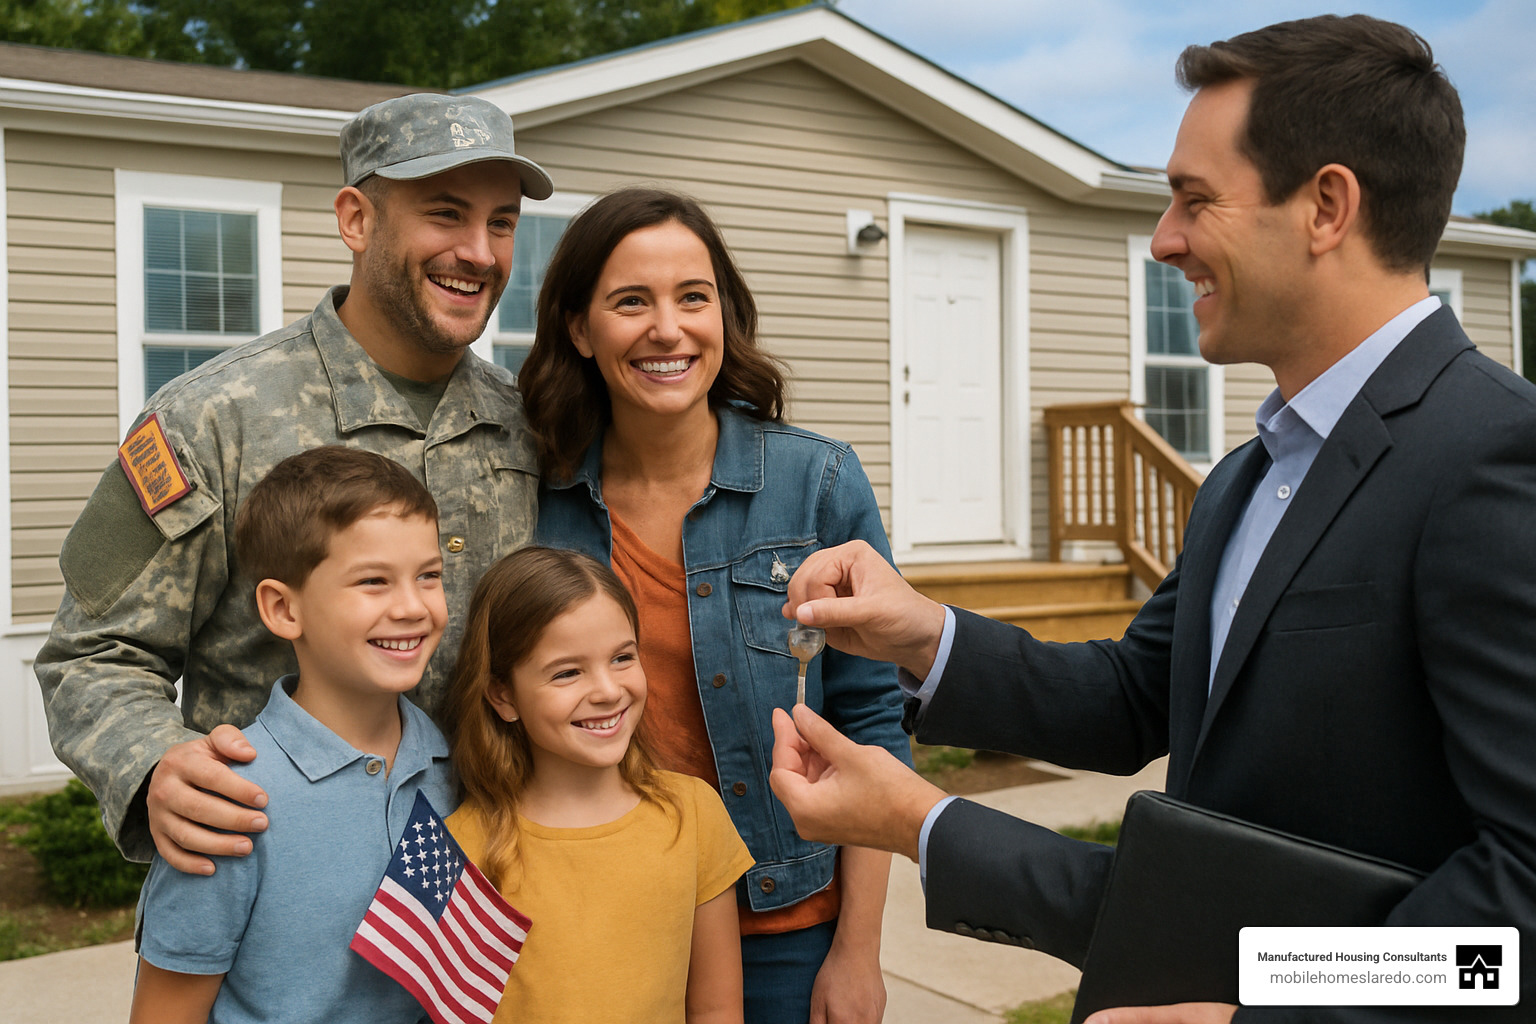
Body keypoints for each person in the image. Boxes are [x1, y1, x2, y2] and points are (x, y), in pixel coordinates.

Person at [768, 15, 1536, 1024]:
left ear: (1327, 207)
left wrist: (1265, 1016)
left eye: (1194, 199)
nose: (1165, 239)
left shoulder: (1496, 456)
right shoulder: (1245, 476)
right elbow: (1140, 695)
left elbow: (1522, 895)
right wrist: (924, 634)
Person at [35, 92, 552, 875]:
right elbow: (91, 653)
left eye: (502, 222)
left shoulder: (527, 426)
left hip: (482, 889)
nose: (479, 252)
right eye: (445, 214)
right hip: (272, 884)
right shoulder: (212, 417)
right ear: (356, 220)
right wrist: (157, 763)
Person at [521, 187, 910, 1023]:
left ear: (724, 315)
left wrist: (857, 950)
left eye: (693, 298)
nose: (668, 329)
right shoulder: (536, 503)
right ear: (580, 329)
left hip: (787, 929)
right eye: (632, 301)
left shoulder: (817, 484)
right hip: (601, 922)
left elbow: (871, 720)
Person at [130, 446, 453, 1023]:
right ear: (283, 609)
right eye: (373, 581)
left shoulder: (461, 768)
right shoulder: (226, 802)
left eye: (429, 576)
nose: (413, 607)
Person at [442, 546, 754, 1023]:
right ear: (503, 696)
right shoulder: (461, 849)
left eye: (622, 657)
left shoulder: (693, 814)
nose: (608, 691)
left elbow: (717, 1009)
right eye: (567, 672)